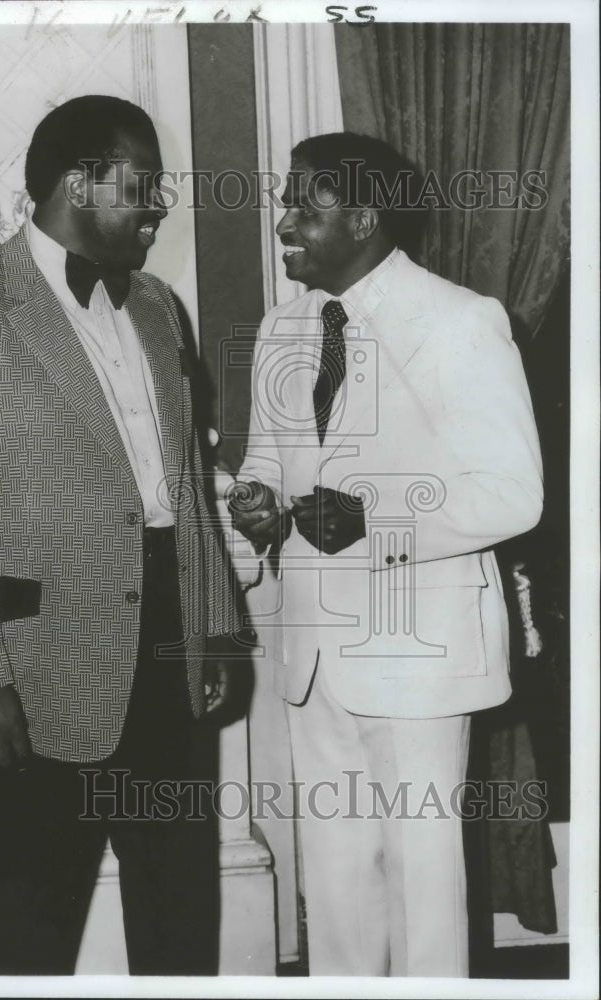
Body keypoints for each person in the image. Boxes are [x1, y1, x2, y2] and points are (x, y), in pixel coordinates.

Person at [0, 95, 238, 976]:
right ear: (78, 181)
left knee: (179, 907)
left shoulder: (159, 307)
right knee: (24, 915)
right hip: (34, 668)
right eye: (142, 185)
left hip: (171, 645)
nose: (159, 205)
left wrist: (213, 627)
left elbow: (184, 489)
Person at [231, 132, 543, 976]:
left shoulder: (460, 320)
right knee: (334, 889)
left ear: (365, 217)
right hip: (313, 655)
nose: (283, 222)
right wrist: (256, 505)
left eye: (305, 204)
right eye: (285, 202)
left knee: (422, 888)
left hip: (421, 653)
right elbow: (269, 458)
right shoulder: (280, 326)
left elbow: (514, 492)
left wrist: (376, 518)